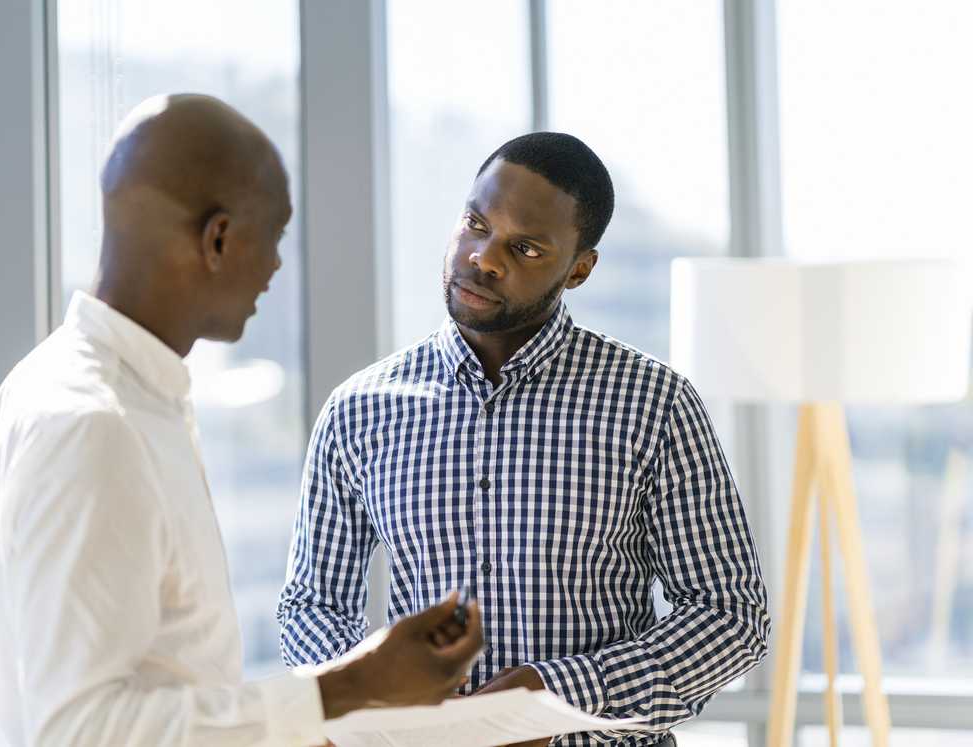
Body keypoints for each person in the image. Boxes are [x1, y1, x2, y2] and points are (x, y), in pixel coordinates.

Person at [0, 93, 483, 747]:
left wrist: (352, 694)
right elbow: (82, 731)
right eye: (274, 238)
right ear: (219, 238)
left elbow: (159, 691)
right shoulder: (95, 425)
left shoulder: (85, 391)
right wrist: (348, 687)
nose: (277, 267)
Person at [279, 133, 770, 746]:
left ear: (579, 268)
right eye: (474, 224)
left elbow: (730, 618)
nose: (484, 258)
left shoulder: (653, 403)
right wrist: (383, 699)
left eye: (526, 247)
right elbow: (311, 604)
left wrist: (552, 697)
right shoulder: (359, 409)